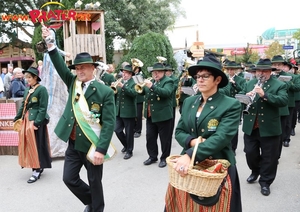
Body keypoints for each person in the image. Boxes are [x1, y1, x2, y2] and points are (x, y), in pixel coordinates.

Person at [42, 27, 116, 212]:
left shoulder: (104, 91)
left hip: (92, 144)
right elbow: (59, 64)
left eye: (83, 67)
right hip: (73, 143)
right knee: (69, 178)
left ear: (93, 68)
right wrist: (50, 43)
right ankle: (93, 201)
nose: (79, 71)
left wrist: (101, 149)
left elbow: (109, 123)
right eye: (77, 68)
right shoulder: (73, 83)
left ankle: (96, 208)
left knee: (94, 180)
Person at [165, 53, 242, 212]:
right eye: (197, 76)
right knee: (183, 206)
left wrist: (190, 154)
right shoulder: (188, 102)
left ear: (218, 80)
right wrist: (192, 142)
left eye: (205, 76)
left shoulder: (231, 105)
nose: (199, 79)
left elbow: (221, 138)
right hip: (188, 166)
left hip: (218, 165)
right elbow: (179, 131)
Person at [240, 58, 288, 196]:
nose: (261, 73)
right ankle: (255, 170)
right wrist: (245, 97)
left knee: (270, 157)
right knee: (250, 153)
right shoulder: (249, 83)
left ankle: (265, 182)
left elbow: (283, 101)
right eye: (259, 70)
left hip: (269, 127)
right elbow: (241, 99)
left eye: (265, 71)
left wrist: (264, 95)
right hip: (251, 127)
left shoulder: (279, 85)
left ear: (270, 72)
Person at [13, 67, 51, 183]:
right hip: (27, 121)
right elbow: (24, 106)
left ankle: (37, 170)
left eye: (29, 77)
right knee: (30, 145)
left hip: (35, 122)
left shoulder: (42, 90)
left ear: (35, 78)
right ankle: (37, 166)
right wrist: (16, 118)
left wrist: (37, 123)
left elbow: (43, 108)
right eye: (26, 77)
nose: (27, 79)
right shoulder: (27, 90)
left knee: (37, 145)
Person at [40, 18, 71, 157]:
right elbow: (53, 47)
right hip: (52, 64)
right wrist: (66, 54)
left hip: (49, 64)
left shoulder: (50, 31)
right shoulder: (51, 32)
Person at [140, 61, 174, 168]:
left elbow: (166, 93)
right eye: (154, 72)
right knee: (150, 137)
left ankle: (164, 158)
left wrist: (152, 87)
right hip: (151, 115)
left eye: (158, 72)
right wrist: (141, 87)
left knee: (165, 139)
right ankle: (152, 156)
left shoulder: (168, 81)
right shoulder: (151, 81)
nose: (156, 74)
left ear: (163, 72)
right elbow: (143, 92)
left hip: (163, 115)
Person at [114, 64, 137, 159]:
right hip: (119, 111)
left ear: (131, 74)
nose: (124, 74)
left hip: (129, 111)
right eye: (123, 72)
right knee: (117, 130)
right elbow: (116, 96)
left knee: (129, 132)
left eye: (126, 73)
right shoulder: (120, 81)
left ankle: (129, 150)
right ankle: (126, 145)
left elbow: (134, 93)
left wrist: (123, 86)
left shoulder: (134, 82)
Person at [165, 64, 178, 135]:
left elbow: (172, 89)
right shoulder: (163, 78)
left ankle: (170, 132)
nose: (167, 72)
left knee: (171, 119)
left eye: (169, 71)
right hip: (164, 101)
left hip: (171, 102)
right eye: (166, 70)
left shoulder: (175, 79)